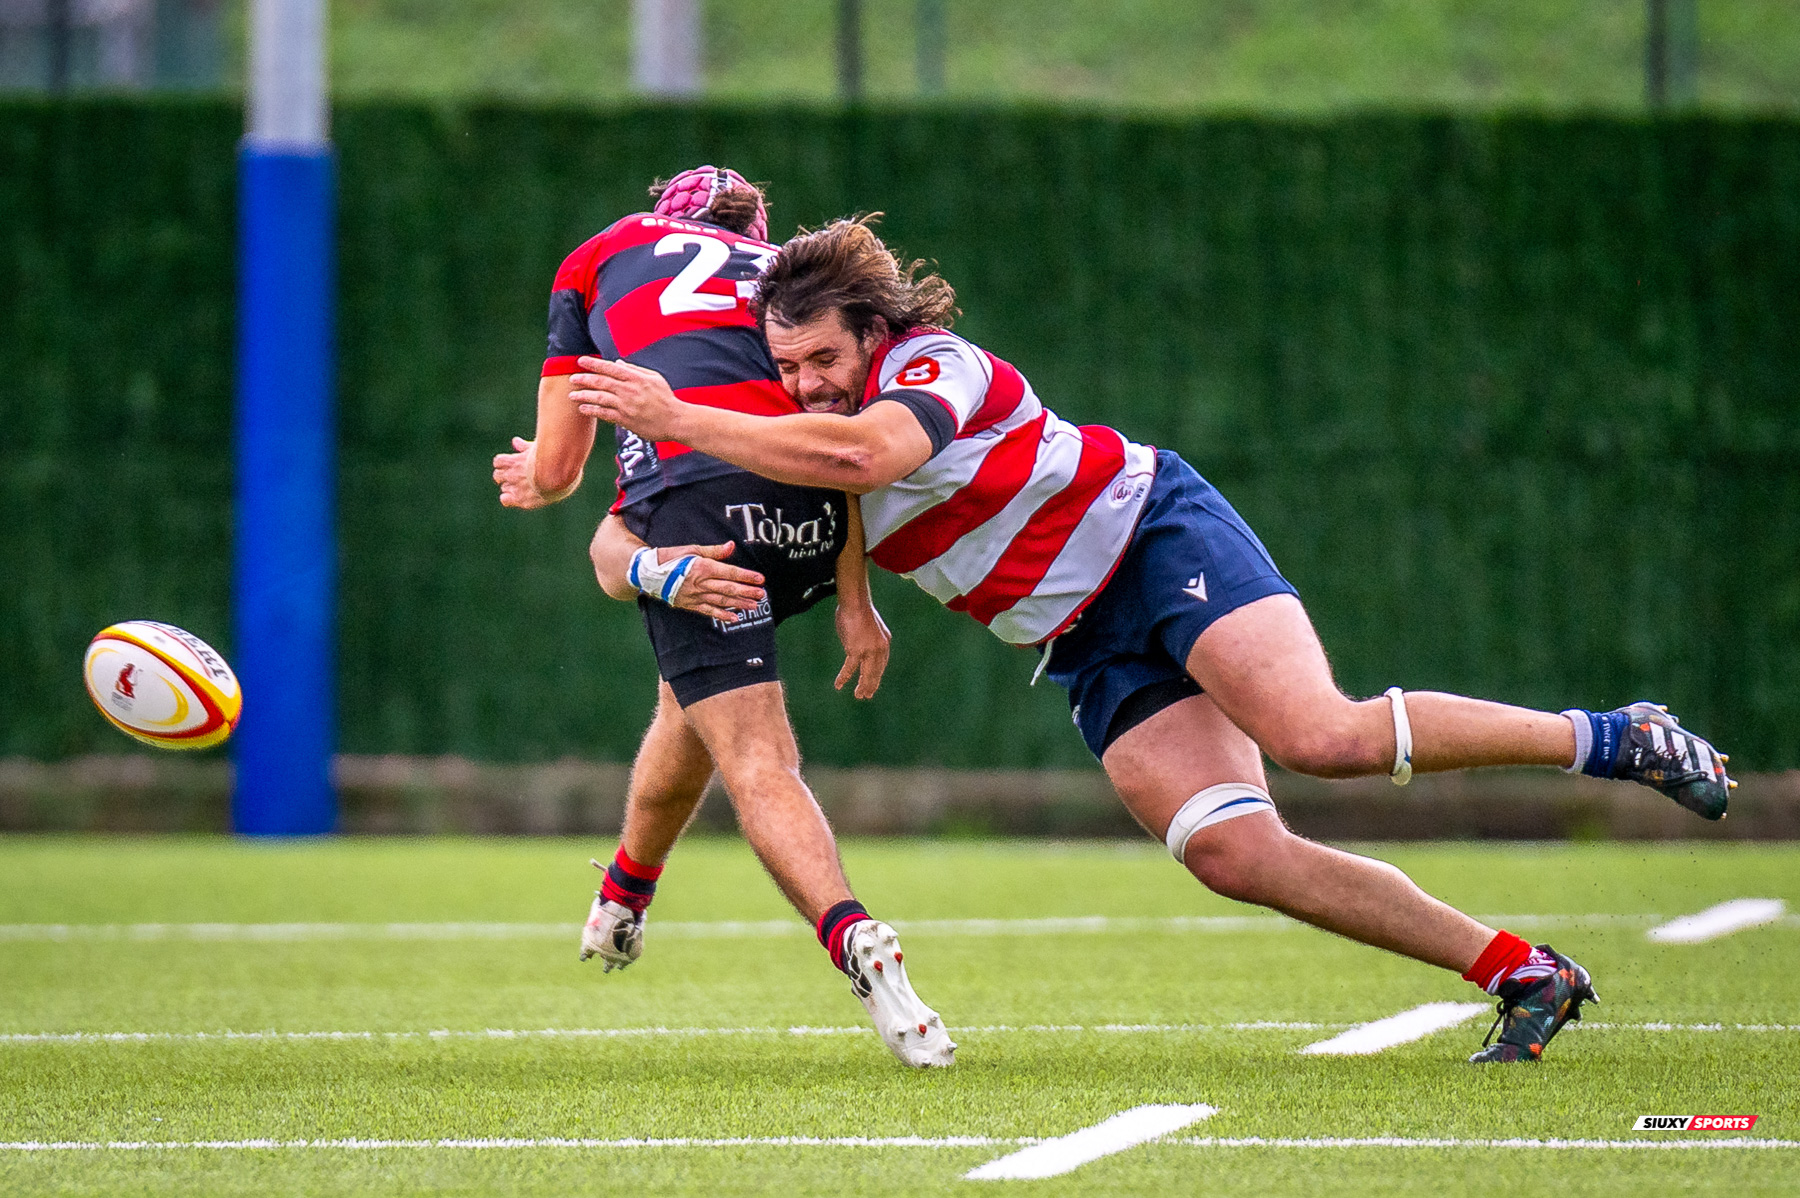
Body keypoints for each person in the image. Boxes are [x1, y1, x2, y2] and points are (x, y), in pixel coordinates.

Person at [568, 215, 1736, 1065]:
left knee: (1319, 735)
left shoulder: (935, 369)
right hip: (1081, 639)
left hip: (1148, 538)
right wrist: (849, 594)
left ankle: (1613, 735)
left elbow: (865, 459)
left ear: (878, 332)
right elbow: (820, 492)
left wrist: (675, 415)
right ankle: (1523, 971)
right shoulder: (807, 413)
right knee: (1232, 852)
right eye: (785, 368)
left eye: (824, 359)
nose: (806, 385)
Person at [493, 181, 953, 1068]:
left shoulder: (599, 255)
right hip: (812, 502)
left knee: (747, 744)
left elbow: (554, 470)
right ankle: (625, 894)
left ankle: (851, 935)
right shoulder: (784, 279)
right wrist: (856, 601)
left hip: (698, 508)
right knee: (689, 711)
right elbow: (830, 433)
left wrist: (535, 477)